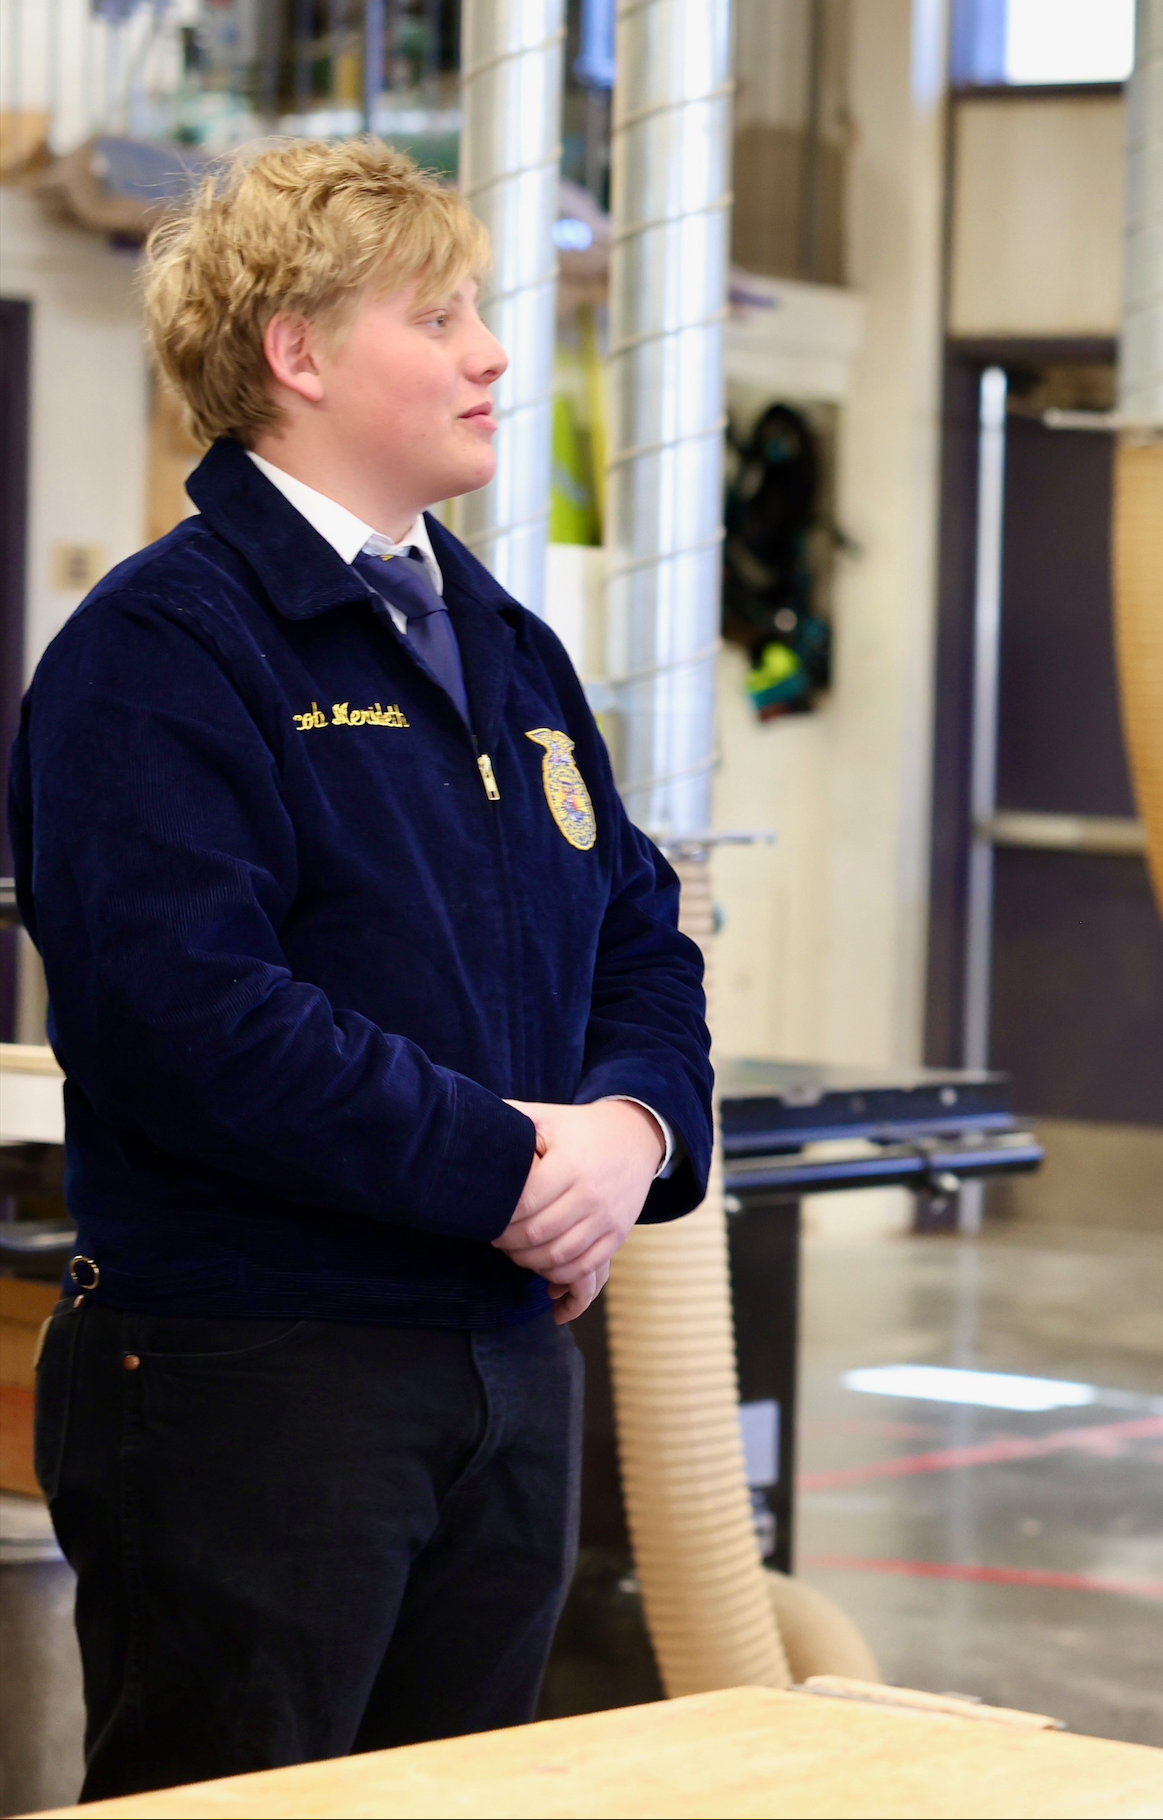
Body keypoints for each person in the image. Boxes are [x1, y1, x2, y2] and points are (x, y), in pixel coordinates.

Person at [12, 138, 713, 1800]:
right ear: (299, 354)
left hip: (502, 1365)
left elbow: (635, 929)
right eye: (443, 312)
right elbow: (189, 1016)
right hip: (258, 1377)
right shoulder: (164, 650)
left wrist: (629, 1134)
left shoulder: (507, 647)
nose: (493, 352)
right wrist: (512, 1164)